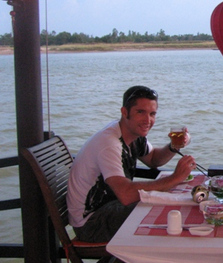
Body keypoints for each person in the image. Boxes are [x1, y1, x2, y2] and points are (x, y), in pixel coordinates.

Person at [67, 85, 196, 243]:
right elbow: (126, 195)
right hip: (92, 224)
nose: (147, 120)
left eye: (152, 114)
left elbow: (154, 159)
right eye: (140, 112)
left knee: (170, 201)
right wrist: (174, 178)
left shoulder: (132, 133)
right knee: (168, 211)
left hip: (111, 207)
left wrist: (173, 147)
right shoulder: (109, 143)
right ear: (124, 112)